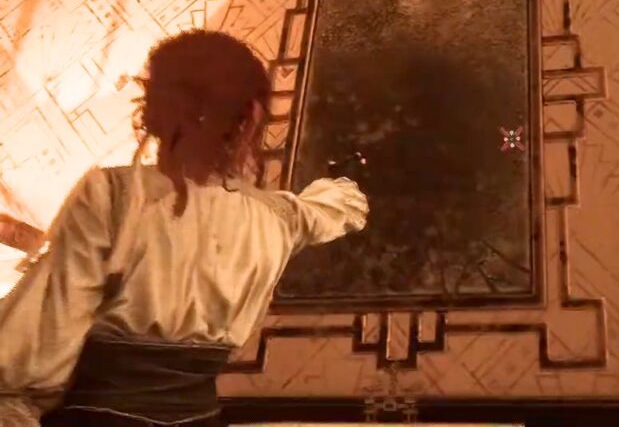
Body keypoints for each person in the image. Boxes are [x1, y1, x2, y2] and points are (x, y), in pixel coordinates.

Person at [0, 30, 369, 426]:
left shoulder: (111, 195)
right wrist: (345, 179)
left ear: (154, 108)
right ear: (251, 117)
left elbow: (36, 347)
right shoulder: (276, 217)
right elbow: (334, 207)